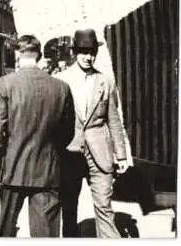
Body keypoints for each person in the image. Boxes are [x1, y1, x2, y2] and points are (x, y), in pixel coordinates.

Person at [0, 34, 75, 237]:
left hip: (13, 168)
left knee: (7, 227)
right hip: (48, 170)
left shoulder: (5, 84)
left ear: (18, 54)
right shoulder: (61, 88)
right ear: (39, 55)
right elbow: (68, 131)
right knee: (45, 232)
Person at [55, 29, 129, 238]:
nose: (88, 57)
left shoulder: (106, 80)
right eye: (83, 52)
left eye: (92, 52)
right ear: (74, 52)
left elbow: (114, 119)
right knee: (68, 207)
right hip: (70, 150)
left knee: (104, 205)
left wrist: (121, 155)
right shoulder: (61, 80)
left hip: (101, 151)